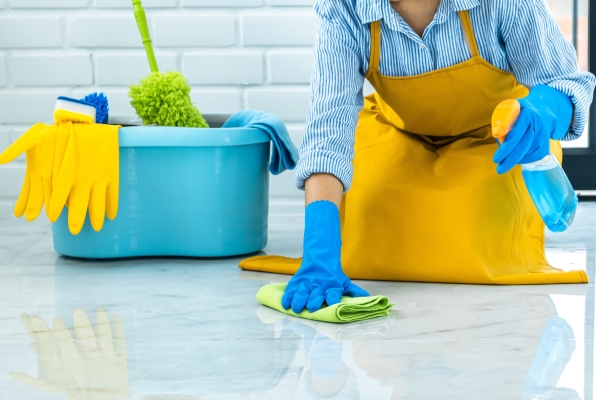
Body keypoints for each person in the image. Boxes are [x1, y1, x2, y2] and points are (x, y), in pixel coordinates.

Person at [248, 0, 596, 314]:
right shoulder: (345, 9)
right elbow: (329, 130)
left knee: (476, 241)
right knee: (365, 223)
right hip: (399, 136)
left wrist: (543, 111)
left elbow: (566, 83)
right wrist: (319, 250)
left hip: (497, 142)